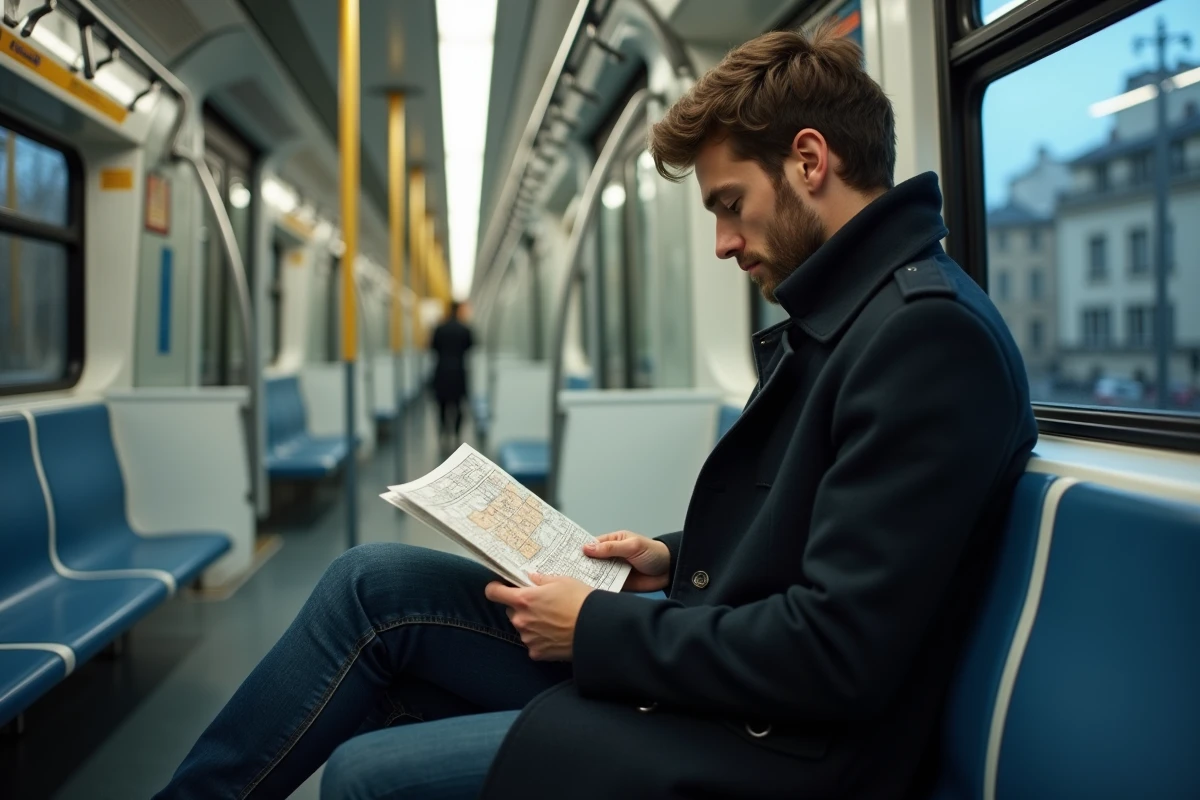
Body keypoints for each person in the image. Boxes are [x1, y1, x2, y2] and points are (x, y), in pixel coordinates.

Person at [156, 21, 1037, 800]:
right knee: (373, 585)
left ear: (810, 161)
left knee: (366, 767)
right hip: (723, 676)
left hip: (779, 746)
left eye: (730, 205)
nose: (724, 243)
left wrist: (597, 626)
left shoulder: (924, 340)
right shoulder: (853, 319)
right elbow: (813, 538)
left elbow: (836, 653)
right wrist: (669, 561)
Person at [429, 301, 474, 447]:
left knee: (442, 405)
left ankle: (443, 434)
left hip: (442, 371)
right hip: (458, 372)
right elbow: (470, 346)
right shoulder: (464, 329)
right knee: (458, 405)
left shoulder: (439, 329)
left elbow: (432, 347)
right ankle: (456, 434)